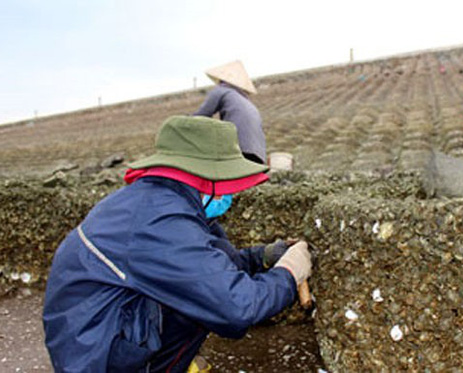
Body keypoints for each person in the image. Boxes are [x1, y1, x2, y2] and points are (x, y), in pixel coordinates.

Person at [42, 116, 312, 372]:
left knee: (202, 294)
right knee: (203, 307)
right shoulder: (160, 219)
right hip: (93, 356)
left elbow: (210, 267)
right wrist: (288, 274)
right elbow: (237, 307)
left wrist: (261, 257)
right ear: (207, 176)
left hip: (101, 329)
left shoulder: (164, 198)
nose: (232, 192)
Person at [193, 60, 267, 165]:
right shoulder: (247, 102)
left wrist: (183, 120)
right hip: (259, 155)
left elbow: (202, 115)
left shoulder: (221, 90)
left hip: (239, 150)